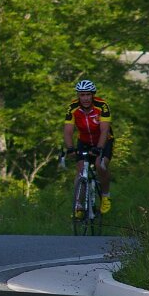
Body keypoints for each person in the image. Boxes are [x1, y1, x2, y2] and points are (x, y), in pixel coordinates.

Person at [63, 79, 113, 215]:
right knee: (80, 170)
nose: (85, 98)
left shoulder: (102, 106)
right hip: (84, 141)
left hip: (103, 140)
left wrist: (99, 148)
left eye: (88, 94)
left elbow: (104, 130)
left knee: (100, 165)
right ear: (78, 96)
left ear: (93, 95)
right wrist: (70, 147)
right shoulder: (72, 108)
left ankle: (105, 196)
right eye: (82, 95)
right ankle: (78, 205)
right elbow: (68, 130)